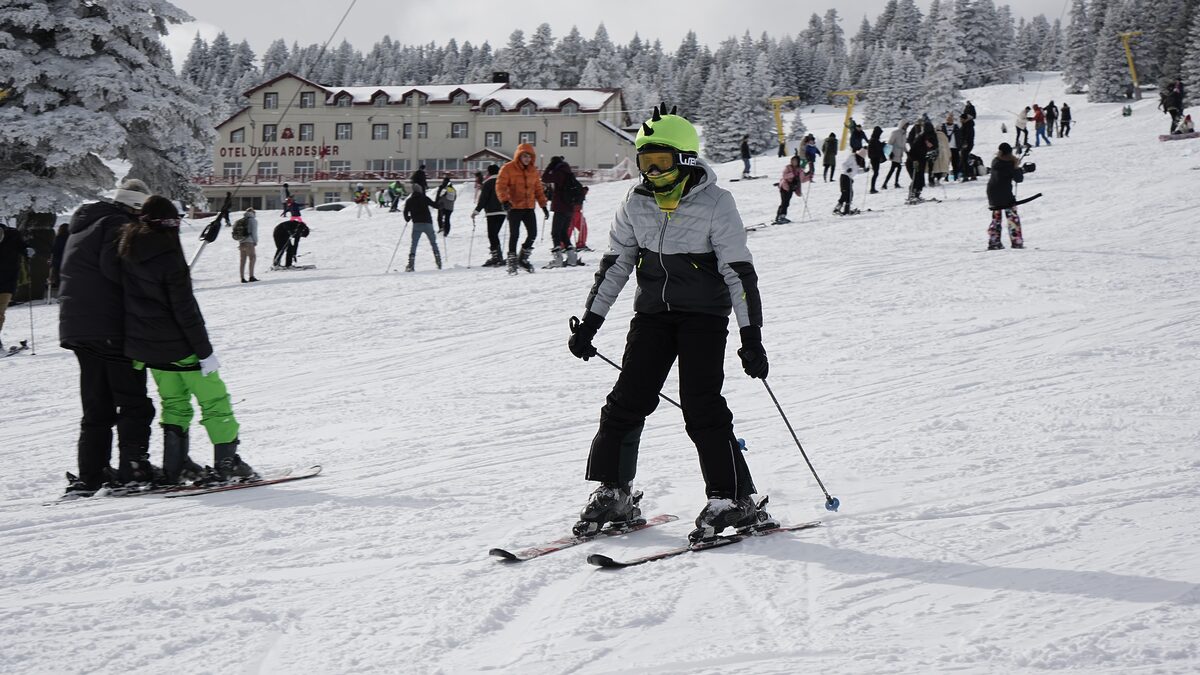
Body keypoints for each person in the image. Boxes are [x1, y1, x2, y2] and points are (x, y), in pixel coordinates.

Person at [566, 104, 778, 543]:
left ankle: (730, 498)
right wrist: (591, 323)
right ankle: (615, 490)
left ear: (685, 159)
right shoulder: (636, 202)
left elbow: (739, 271)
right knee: (626, 401)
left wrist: (750, 336)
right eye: (645, 162)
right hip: (652, 316)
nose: (652, 172)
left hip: (703, 316)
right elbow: (615, 265)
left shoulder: (717, 202)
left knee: (701, 405)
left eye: (660, 162)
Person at [117, 196, 256, 484]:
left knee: (174, 403)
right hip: (181, 347)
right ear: (170, 224)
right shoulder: (169, 255)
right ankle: (227, 464)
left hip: (150, 350)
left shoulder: (128, 249)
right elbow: (185, 310)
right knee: (215, 402)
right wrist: (204, 352)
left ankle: (174, 466)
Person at [58, 179, 157, 495]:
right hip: (110, 326)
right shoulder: (119, 225)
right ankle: (134, 468)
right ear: (136, 207)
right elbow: (117, 269)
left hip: (78, 327)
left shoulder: (85, 224)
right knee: (133, 403)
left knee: (97, 405)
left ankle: (93, 473)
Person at [495, 142, 549, 274]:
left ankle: (522, 258)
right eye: (524, 156)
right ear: (519, 156)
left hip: (529, 207)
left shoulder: (533, 171)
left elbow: (538, 189)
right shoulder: (508, 168)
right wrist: (505, 200)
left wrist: (543, 206)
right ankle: (512, 261)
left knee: (533, 233)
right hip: (514, 207)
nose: (527, 159)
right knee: (515, 234)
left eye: (529, 157)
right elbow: (500, 185)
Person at [541, 155, 583, 267]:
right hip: (570, 208)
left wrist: (550, 166)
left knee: (555, 233)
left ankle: (558, 259)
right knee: (563, 232)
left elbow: (544, 178)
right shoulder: (568, 172)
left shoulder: (559, 173)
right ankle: (572, 258)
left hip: (561, 207)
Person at [986, 143, 1027, 250]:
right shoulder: (1010, 163)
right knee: (1012, 217)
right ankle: (1016, 241)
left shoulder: (995, 161)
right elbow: (1018, 179)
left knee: (996, 218)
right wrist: (1017, 166)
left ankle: (994, 241)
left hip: (992, 192)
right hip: (1005, 193)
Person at [0, 221, 31, 349]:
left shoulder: (13, 235)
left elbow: (23, 247)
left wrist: (28, 251)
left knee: (0, 312)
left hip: (8, 280)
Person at [472, 164, 506, 267]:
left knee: (492, 235)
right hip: (503, 212)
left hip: (492, 212)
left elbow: (483, 199)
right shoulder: (503, 183)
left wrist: (476, 211)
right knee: (494, 234)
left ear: (489, 172)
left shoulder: (488, 183)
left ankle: (496, 257)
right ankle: (498, 256)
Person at [402, 184, 441, 272]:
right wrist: (441, 202)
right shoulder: (424, 198)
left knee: (414, 244)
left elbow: (405, 212)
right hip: (428, 223)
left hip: (417, 224)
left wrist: (407, 218)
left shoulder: (409, 200)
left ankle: (411, 264)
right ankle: (438, 261)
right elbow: (436, 205)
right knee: (433, 242)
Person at [835, 148, 869, 215]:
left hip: (849, 178)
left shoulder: (858, 162)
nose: (861, 159)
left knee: (850, 194)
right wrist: (847, 169)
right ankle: (837, 208)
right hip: (844, 176)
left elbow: (856, 172)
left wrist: (864, 171)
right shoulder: (852, 157)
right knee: (845, 193)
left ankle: (847, 209)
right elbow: (844, 164)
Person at [775, 154, 804, 224]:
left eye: (795, 161)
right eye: (793, 161)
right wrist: (793, 174)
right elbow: (784, 176)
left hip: (791, 188)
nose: (794, 162)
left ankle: (780, 216)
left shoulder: (799, 170)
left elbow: (801, 179)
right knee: (784, 202)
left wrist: (809, 176)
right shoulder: (788, 167)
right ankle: (781, 216)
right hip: (784, 186)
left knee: (786, 202)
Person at [232, 208, 259, 283]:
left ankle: (242, 278)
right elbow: (254, 232)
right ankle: (251, 276)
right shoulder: (253, 221)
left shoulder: (241, 220)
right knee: (252, 258)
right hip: (249, 242)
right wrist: (255, 241)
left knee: (242, 260)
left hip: (241, 242)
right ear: (253, 213)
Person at [883, 122, 907, 190]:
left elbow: (903, 144)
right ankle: (887, 183)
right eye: (905, 125)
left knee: (896, 168)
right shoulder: (895, 132)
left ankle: (890, 183)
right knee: (894, 169)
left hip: (899, 154)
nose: (906, 127)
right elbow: (890, 142)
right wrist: (889, 153)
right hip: (894, 153)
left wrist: (907, 152)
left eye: (907, 125)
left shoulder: (904, 134)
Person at [49, 222, 69, 297]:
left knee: (59, 280)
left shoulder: (58, 238)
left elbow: (54, 251)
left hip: (58, 262)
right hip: (68, 261)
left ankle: (62, 294)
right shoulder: (71, 238)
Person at [958, 112, 977, 181]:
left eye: (961, 119)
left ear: (964, 119)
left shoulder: (968, 126)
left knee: (964, 160)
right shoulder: (966, 125)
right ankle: (971, 175)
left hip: (966, 145)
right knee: (965, 159)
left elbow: (967, 135)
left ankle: (966, 176)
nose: (960, 120)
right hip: (967, 144)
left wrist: (964, 143)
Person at [942, 114, 960, 181]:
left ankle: (956, 176)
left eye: (951, 119)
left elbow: (960, 136)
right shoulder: (943, 127)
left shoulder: (956, 127)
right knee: (946, 163)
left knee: (955, 163)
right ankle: (946, 177)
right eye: (948, 119)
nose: (950, 120)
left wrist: (960, 145)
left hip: (955, 148)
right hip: (946, 148)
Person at [867, 126, 885, 193]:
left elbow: (877, 147)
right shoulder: (873, 140)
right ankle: (872, 188)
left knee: (876, 173)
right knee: (875, 173)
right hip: (874, 159)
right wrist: (882, 145)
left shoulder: (874, 139)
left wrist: (881, 144)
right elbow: (877, 148)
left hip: (875, 159)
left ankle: (872, 188)